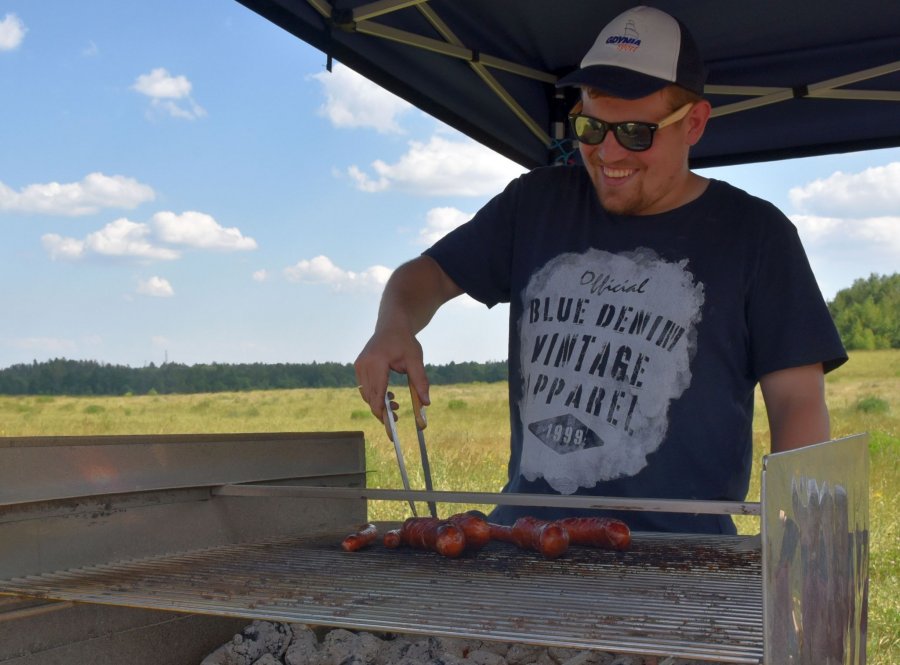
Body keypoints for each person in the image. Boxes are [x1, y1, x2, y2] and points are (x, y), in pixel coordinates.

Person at [354, 5, 847, 533]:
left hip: (681, 561)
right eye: (591, 127)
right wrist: (394, 324)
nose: (607, 152)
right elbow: (428, 274)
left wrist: (799, 536)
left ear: (695, 124)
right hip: (527, 544)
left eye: (636, 133)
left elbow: (797, 403)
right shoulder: (536, 203)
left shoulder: (756, 235)